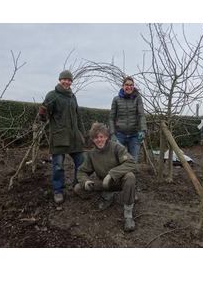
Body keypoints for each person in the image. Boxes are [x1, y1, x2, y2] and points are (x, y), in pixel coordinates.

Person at [74, 122, 136, 232]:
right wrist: (86, 182)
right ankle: (107, 195)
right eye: (96, 138)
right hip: (104, 184)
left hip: (119, 182)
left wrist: (112, 174)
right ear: (93, 139)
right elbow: (81, 172)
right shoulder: (91, 154)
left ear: (106, 137)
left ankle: (128, 214)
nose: (99, 140)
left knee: (130, 177)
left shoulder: (117, 147)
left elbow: (131, 163)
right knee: (78, 188)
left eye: (101, 137)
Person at [39, 70, 85, 204]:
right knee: (58, 166)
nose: (67, 82)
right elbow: (45, 115)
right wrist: (42, 114)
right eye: (64, 79)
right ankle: (58, 191)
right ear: (60, 80)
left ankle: (77, 186)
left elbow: (78, 116)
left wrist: (82, 133)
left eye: (69, 80)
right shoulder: (52, 95)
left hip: (74, 136)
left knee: (81, 163)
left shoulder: (72, 96)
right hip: (59, 136)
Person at [109, 76, 147, 163]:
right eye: (127, 85)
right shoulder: (116, 99)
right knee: (117, 159)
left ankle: (131, 176)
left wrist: (143, 130)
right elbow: (111, 118)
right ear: (123, 86)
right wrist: (112, 134)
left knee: (133, 161)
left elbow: (141, 115)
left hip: (134, 135)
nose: (129, 87)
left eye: (131, 85)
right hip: (119, 134)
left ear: (133, 86)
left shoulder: (137, 98)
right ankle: (118, 176)